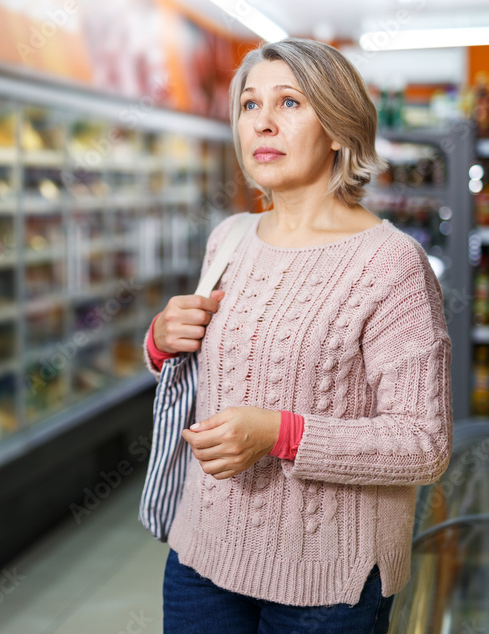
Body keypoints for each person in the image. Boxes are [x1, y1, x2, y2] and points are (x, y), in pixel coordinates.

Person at [141, 38, 452, 633]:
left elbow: (424, 443)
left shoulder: (391, 265)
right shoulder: (229, 238)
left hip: (326, 584)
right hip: (201, 556)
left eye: (289, 103)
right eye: (249, 105)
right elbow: (213, 370)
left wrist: (279, 434)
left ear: (338, 129)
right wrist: (160, 341)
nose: (262, 121)